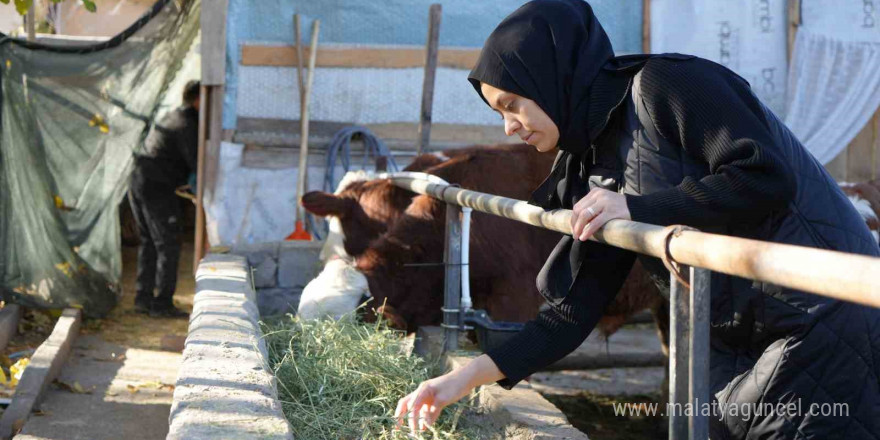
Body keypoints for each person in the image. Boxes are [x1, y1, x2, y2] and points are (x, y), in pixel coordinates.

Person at [394, 1, 880, 438]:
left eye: (512, 104)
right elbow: (573, 311)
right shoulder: (596, 158)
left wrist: (639, 209)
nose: (508, 125)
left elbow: (765, 174)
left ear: (551, 77)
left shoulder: (668, 84)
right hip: (737, 336)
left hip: (820, 319)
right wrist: (461, 378)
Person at [128, 80, 200, 318]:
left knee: (150, 241)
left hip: (139, 180)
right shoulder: (187, 124)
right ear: (198, 100)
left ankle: (143, 298)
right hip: (155, 186)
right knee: (168, 243)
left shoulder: (173, 116)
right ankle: (162, 304)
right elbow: (196, 163)